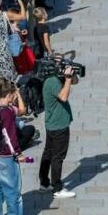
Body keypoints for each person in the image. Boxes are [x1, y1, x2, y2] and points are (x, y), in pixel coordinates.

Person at [0, 79, 27, 215]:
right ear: (9, 94)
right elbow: (9, 136)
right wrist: (17, 153)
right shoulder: (6, 113)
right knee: (13, 192)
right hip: (6, 156)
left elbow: (21, 111)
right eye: (13, 95)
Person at [39, 63, 77, 198]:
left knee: (48, 153)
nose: (62, 65)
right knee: (57, 157)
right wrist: (67, 80)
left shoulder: (53, 79)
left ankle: (44, 183)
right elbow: (64, 97)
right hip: (59, 126)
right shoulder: (53, 82)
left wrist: (71, 76)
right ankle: (57, 188)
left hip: (52, 124)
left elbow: (75, 82)